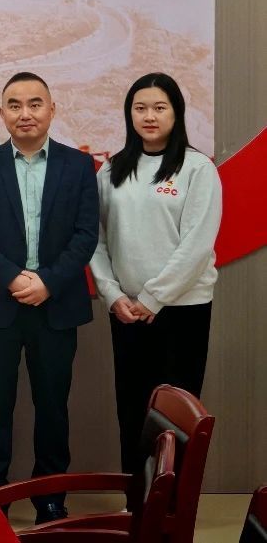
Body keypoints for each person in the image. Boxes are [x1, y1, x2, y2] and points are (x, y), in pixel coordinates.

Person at [0, 72, 98, 525]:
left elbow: (85, 235)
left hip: (56, 305)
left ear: (52, 110)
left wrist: (48, 283)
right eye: (15, 105)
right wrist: (13, 278)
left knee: (53, 408)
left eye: (35, 104)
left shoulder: (78, 166)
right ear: (2, 113)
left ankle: (51, 497)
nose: (26, 114)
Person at [89, 73, 221, 473]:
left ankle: (173, 502)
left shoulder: (197, 168)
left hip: (182, 311)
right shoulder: (112, 170)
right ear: (129, 114)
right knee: (132, 409)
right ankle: (136, 498)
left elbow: (196, 246)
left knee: (176, 417)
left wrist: (152, 298)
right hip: (126, 312)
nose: (149, 116)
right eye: (140, 108)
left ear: (176, 113)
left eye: (159, 108)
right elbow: (96, 241)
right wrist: (113, 295)